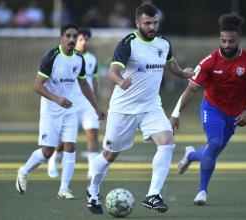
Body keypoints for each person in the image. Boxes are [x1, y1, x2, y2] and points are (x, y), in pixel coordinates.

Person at [86, 3, 194, 215]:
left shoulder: (163, 43)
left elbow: (170, 65)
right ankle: (93, 189)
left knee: (167, 142)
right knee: (109, 154)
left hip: (151, 107)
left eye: (155, 23)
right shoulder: (128, 44)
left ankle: (153, 195)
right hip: (123, 109)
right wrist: (120, 81)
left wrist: (184, 74)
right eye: (147, 23)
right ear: (137, 23)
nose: (152, 27)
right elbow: (113, 71)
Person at [170, 13, 246, 206]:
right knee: (214, 143)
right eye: (223, 40)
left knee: (211, 152)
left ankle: (190, 155)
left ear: (239, 40)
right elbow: (191, 90)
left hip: (235, 115)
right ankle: (202, 192)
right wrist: (175, 114)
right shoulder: (209, 62)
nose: (226, 45)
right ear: (220, 39)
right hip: (212, 108)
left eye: (231, 41)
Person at [15, 23, 106, 200]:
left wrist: (96, 107)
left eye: (74, 36)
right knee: (48, 152)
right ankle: (24, 171)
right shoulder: (51, 57)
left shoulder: (79, 59)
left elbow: (84, 84)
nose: (72, 39)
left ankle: (64, 189)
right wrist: (57, 99)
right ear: (61, 38)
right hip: (51, 111)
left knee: (70, 146)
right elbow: (37, 86)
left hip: (69, 110)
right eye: (68, 36)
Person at [47, 27, 101, 179]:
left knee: (92, 134)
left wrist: (96, 104)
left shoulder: (93, 59)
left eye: (86, 40)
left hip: (87, 105)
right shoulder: (65, 58)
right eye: (80, 39)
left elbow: (93, 82)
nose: (83, 42)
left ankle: (92, 169)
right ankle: (53, 159)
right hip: (70, 104)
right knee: (66, 140)